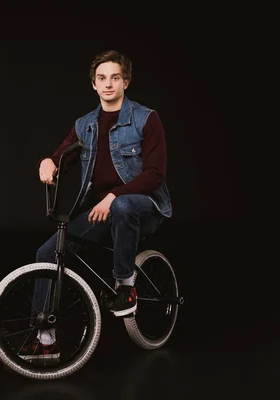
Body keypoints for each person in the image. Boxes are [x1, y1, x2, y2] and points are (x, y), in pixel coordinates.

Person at [19, 50, 172, 360]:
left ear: (126, 82)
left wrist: (115, 196)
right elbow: (61, 156)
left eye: (115, 78)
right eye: (102, 78)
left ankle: (125, 286)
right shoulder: (85, 125)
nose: (108, 84)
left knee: (122, 206)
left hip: (145, 208)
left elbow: (155, 174)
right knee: (47, 253)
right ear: (93, 84)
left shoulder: (146, 119)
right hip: (102, 210)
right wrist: (48, 163)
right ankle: (45, 340)